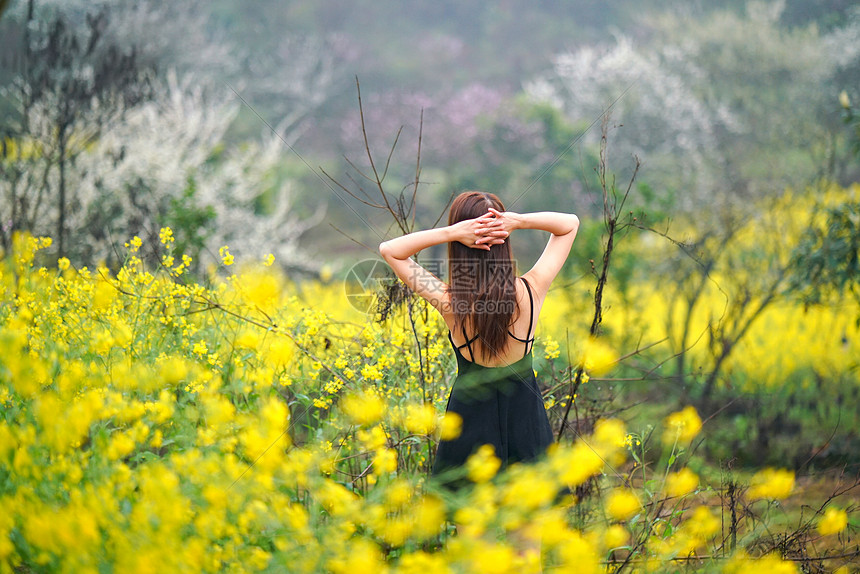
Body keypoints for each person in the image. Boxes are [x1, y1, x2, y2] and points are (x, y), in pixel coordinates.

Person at [378, 191, 580, 487]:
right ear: (505, 241)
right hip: (526, 421)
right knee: (529, 529)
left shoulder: (448, 302)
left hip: (468, 422)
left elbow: (390, 250)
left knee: (472, 531)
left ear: (460, 246)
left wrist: (453, 232)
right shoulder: (532, 289)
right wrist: (518, 221)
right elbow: (570, 223)